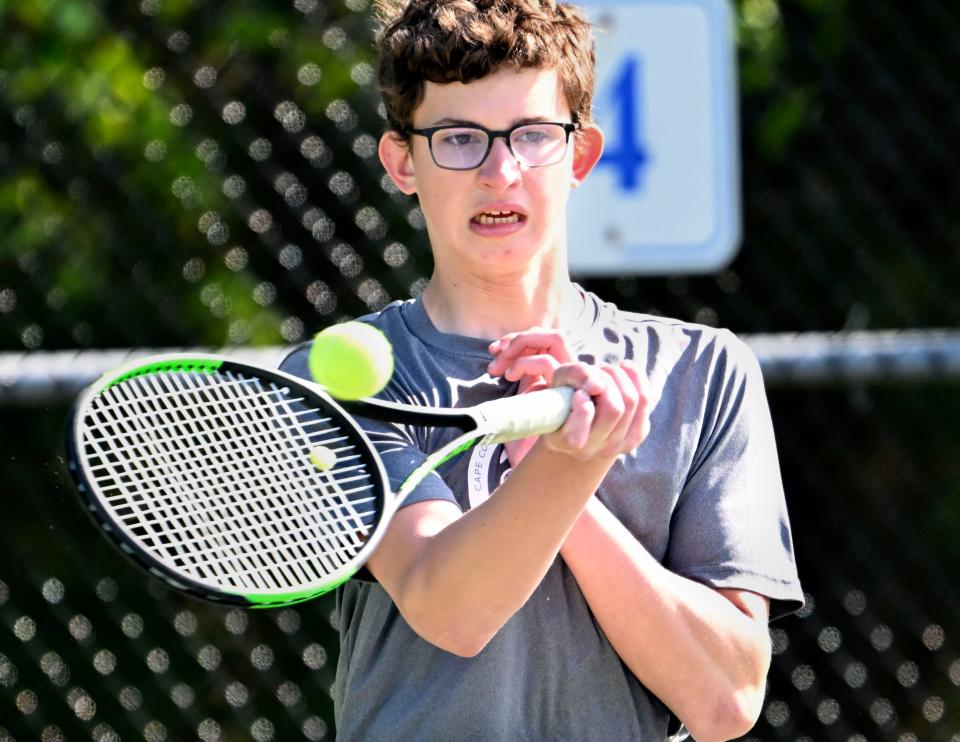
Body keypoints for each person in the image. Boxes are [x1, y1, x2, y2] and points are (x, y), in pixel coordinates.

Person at [281, 0, 804, 738]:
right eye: (459, 138)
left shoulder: (705, 371)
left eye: (532, 135)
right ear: (403, 161)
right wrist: (564, 464)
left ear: (581, 156)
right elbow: (450, 608)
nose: (501, 172)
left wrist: (564, 464)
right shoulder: (345, 378)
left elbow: (725, 701)